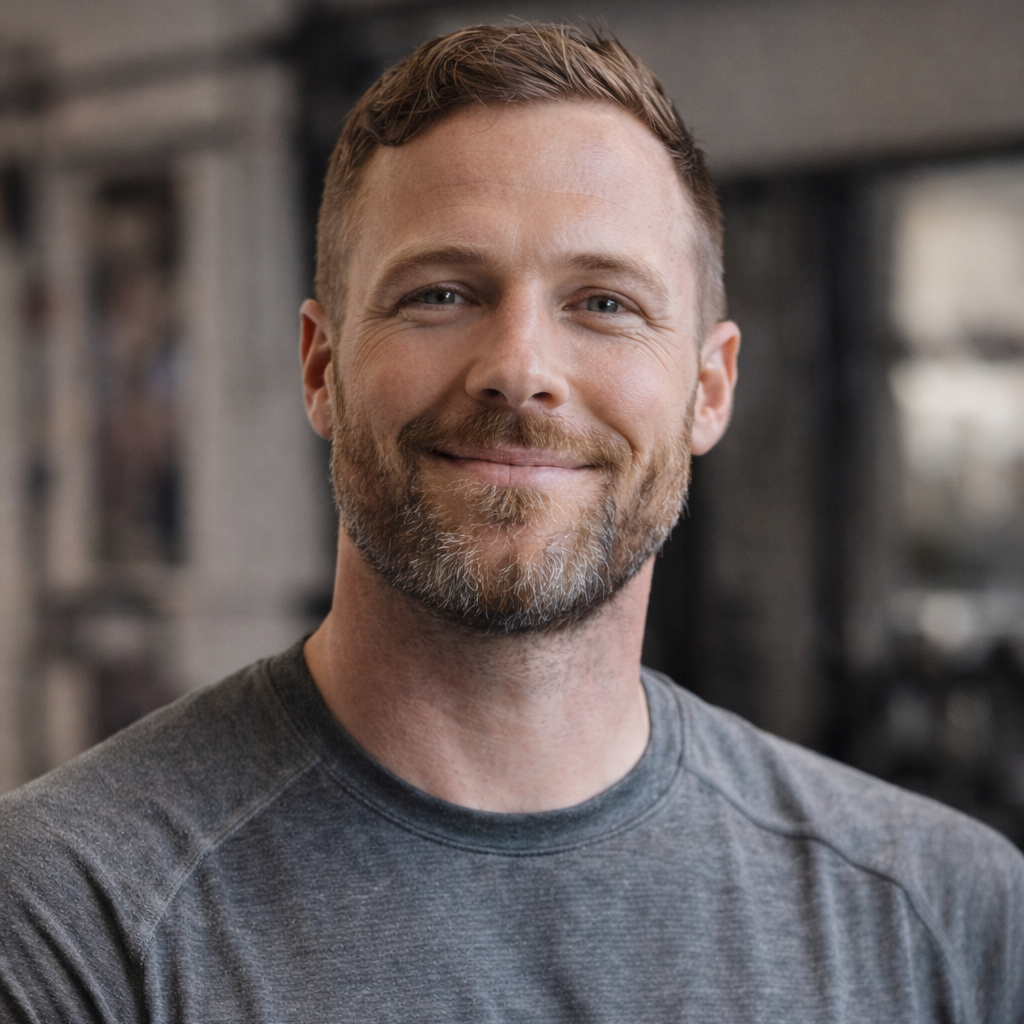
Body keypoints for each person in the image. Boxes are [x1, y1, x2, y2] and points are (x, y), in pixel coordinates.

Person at [1, 23, 1022, 1024]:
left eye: (605, 303)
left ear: (710, 388)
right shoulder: (69, 914)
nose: (521, 370)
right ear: (321, 367)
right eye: (441, 293)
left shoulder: (944, 916)